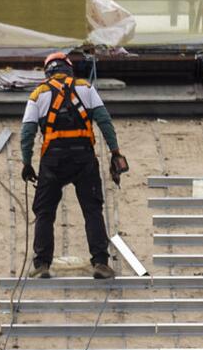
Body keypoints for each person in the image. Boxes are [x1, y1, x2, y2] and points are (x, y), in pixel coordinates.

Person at [20, 50, 128, 280]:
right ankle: (100, 263)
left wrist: (26, 162)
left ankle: (41, 265)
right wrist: (115, 151)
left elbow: (27, 132)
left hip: (53, 161)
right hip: (84, 159)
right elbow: (104, 121)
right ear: (68, 68)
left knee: (44, 212)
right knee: (92, 210)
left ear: (48, 71)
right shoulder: (86, 89)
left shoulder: (38, 94)